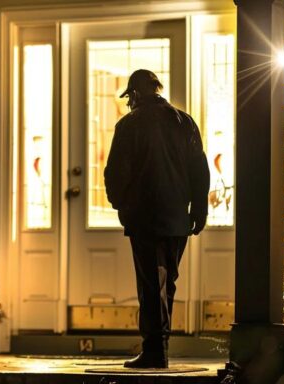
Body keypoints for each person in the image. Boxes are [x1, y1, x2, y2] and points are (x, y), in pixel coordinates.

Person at [104, 69, 210, 369]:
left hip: (144, 217)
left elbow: (115, 173)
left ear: (136, 94)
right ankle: (160, 348)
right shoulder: (184, 121)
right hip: (177, 218)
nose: (129, 103)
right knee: (167, 283)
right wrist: (199, 209)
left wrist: (121, 206)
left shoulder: (129, 125)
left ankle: (155, 351)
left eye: (130, 97)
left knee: (151, 285)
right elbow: (199, 169)